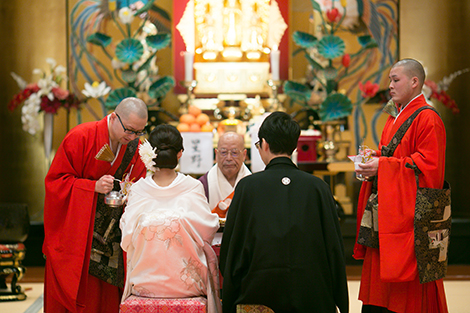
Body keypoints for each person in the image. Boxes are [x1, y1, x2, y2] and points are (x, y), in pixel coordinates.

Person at [219, 111, 349, 313]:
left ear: (265, 144)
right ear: (294, 146)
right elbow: (334, 248)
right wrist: (340, 298)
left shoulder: (247, 187)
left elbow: (231, 250)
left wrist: (231, 294)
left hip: (258, 295)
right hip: (313, 296)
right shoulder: (318, 188)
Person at [354, 58, 448, 312]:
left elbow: (429, 170)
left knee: (408, 295)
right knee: (380, 289)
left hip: (409, 221)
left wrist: (382, 167)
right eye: (390, 80)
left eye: (396, 80)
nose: (390, 86)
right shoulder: (395, 116)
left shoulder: (428, 119)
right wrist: (377, 160)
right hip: (388, 213)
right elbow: (395, 157)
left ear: (415, 82)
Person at [43, 97, 149, 313]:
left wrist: (132, 193)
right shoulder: (81, 137)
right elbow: (55, 183)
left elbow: (140, 182)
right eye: (129, 130)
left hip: (113, 238)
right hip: (80, 232)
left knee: (107, 299)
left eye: (139, 132)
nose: (132, 137)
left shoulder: (135, 148)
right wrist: (91, 187)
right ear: (113, 117)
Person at [120, 124, 221, 313]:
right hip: (187, 285)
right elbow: (209, 228)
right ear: (180, 153)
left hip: (145, 283)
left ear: (150, 153)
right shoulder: (192, 187)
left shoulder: (139, 190)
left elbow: (126, 238)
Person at [198, 131, 251, 218]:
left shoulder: (253, 185)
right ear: (216, 154)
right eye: (223, 152)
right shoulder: (203, 184)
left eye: (234, 153)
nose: (229, 158)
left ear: (244, 155)